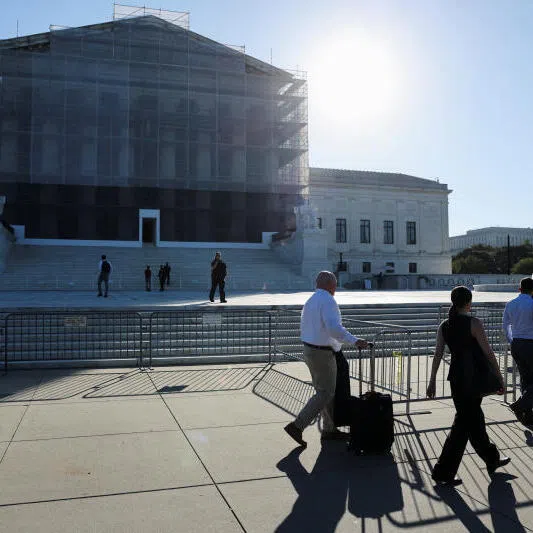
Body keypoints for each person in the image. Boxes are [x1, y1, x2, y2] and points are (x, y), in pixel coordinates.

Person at [427, 286, 510, 486]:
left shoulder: (444, 325)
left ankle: (491, 458)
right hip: (473, 378)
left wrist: (432, 381)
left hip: (456, 378)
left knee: (473, 420)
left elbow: (438, 354)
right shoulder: (474, 323)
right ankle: (442, 471)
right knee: (463, 425)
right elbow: (488, 352)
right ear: (469, 303)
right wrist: (500, 376)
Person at [284, 271, 369, 447]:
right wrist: (354, 341)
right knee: (326, 393)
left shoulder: (311, 300)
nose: (336, 288)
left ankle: (329, 430)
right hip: (322, 353)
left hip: (310, 349)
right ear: (332, 285)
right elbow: (333, 329)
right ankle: (297, 426)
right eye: (335, 284)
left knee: (324, 392)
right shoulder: (328, 300)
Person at [503, 277, 533, 425]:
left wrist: (512, 340)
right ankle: (520, 405)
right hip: (530, 343)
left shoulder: (510, 304)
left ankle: (527, 413)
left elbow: (505, 326)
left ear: (519, 289)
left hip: (517, 343)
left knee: (525, 378)